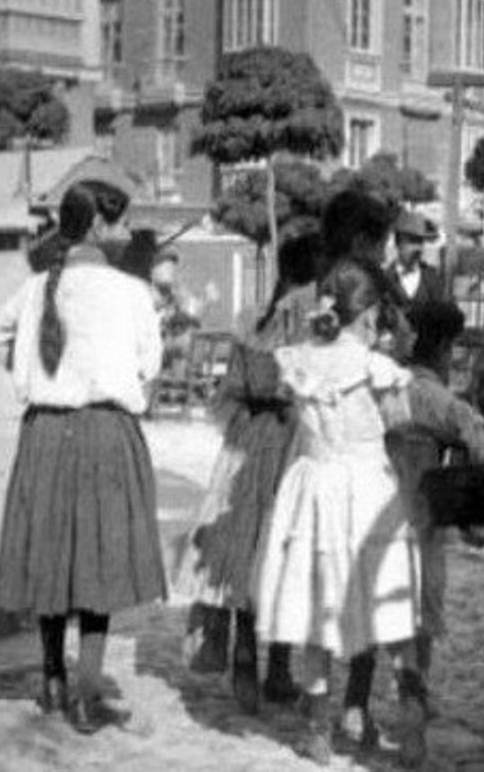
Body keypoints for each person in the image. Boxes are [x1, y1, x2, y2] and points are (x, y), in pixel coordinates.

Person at [0, 183, 166, 735]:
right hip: (107, 433)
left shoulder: (37, 287)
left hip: (45, 435)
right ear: (99, 229)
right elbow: (148, 366)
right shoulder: (133, 292)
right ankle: (88, 690)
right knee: (99, 561)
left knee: (53, 558)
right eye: (122, 224)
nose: (128, 234)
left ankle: (54, 678)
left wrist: (35, 366)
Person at [249, 259, 429, 768]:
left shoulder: (299, 360)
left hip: (316, 487)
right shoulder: (376, 367)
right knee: (390, 609)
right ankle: (411, 721)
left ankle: (318, 727)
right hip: (367, 488)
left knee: (320, 605)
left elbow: (290, 408)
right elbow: (399, 423)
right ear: (369, 312)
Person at [339, 300, 484, 748]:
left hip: (372, 514)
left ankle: (354, 707)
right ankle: (413, 704)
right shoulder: (435, 396)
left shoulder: (378, 383)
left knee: (370, 614)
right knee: (416, 617)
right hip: (419, 521)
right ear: (445, 347)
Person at [172, 232, 321, 712]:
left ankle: (263, 663)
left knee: (263, 550)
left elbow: (230, 392)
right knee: (266, 548)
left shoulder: (266, 321)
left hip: (260, 438)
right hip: (279, 440)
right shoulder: (292, 324)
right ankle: (254, 660)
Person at [386, 210, 447, 307]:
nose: (417, 248)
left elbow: (444, 313)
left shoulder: (431, 277)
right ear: (398, 243)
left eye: (420, 242)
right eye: (411, 241)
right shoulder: (384, 279)